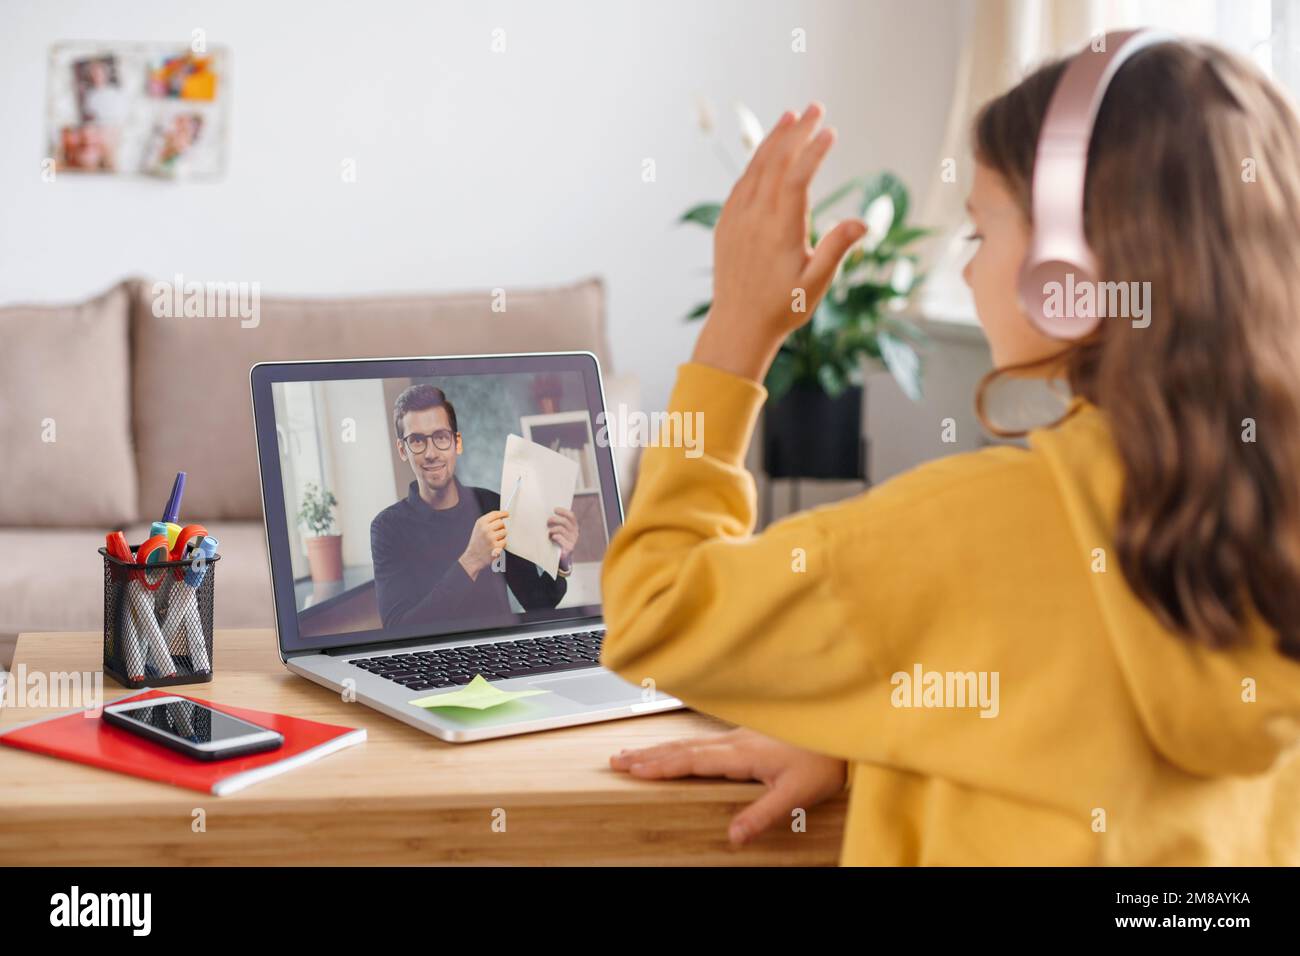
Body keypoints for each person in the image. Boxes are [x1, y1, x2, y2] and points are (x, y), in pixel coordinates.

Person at [601, 40, 1300, 864]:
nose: (967, 275)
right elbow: (1095, 749)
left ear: (1068, 269)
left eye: (979, 233)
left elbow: (653, 612)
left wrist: (738, 331)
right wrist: (882, 729)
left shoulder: (971, 529)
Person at [371, 384, 579, 632]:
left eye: (441, 437)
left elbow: (539, 602)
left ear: (456, 443)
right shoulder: (387, 528)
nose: (431, 453)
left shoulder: (492, 505)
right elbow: (398, 630)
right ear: (402, 449)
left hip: (498, 657)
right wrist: (471, 561)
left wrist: (562, 558)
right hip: (435, 663)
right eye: (416, 440)